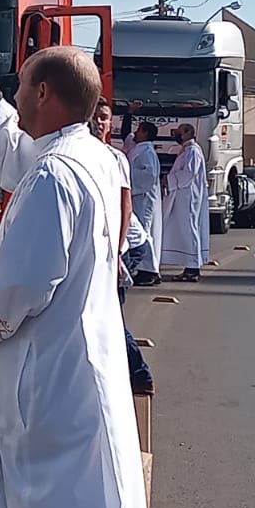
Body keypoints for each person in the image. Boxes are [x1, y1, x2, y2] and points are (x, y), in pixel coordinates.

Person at [0, 24, 151, 508]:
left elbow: (14, 294)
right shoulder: (96, 160)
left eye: (19, 88)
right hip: (83, 378)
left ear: (43, 94)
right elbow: (22, 157)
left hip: (50, 391)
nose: (13, 97)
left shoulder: (54, 179)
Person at [92, 98, 156, 396]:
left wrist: (117, 254)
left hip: (127, 245)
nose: (98, 122)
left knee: (110, 316)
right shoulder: (79, 154)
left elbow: (124, 208)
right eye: (93, 116)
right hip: (102, 247)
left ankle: (138, 374)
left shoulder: (115, 158)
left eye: (104, 117)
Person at [159, 123, 209, 282]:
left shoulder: (193, 151)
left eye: (179, 132)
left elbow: (189, 173)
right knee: (183, 229)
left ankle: (193, 268)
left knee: (189, 229)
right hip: (182, 195)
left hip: (188, 197)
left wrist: (169, 179)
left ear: (189, 133)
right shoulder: (186, 150)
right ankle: (189, 266)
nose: (176, 135)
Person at [126, 121, 164, 286]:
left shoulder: (147, 151)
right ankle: (145, 268)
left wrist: (127, 173)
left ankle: (150, 271)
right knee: (142, 230)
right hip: (137, 196)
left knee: (144, 231)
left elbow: (149, 175)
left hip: (144, 197)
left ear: (146, 133)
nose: (136, 132)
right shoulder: (139, 148)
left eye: (139, 130)